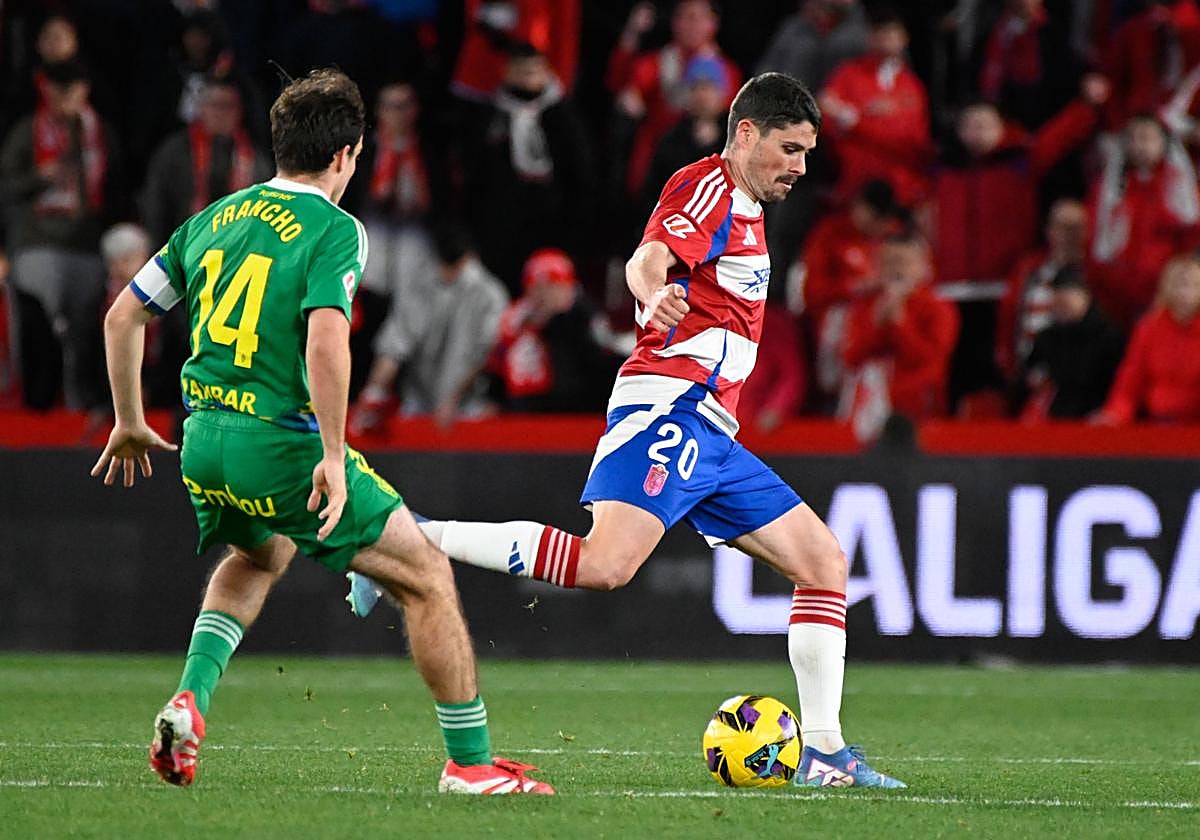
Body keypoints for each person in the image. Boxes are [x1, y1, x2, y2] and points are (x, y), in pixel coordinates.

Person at [351, 72, 906, 789]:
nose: (800, 166)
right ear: (745, 135)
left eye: (807, 152)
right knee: (605, 565)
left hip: (713, 428)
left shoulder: (748, 204)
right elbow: (649, 258)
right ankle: (408, 536)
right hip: (670, 408)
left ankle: (825, 752)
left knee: (824, 565)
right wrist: (654, 293)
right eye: (789, 149)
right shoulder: (708, 187)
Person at [89, 68, 552, 795]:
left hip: (204, 438)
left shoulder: (214, 216)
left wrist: (127, 420)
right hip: (278, 445)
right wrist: (334, 455)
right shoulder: (336, 230)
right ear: (346, 155)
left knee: (261, 556)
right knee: (428, 577)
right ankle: (472, 765)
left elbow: (124, 316)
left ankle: (189, 702)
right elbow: (326, 341)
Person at [350, 224, 508, 432]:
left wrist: (452, 401)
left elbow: (487, 355)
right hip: (419, 404)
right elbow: (394, 347)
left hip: (470, 407)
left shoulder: (490, 295)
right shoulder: (422, 287)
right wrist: (374, 392)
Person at [840, 231, 959, 434]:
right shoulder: (865, 305)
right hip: (869, 412)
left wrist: (899, 322)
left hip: (919, 411)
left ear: (925, 266)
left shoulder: (939, 308)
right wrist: (878, 324)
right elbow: (851, 357)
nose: (896, 270)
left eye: (903, 262)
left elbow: (929, 359)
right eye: (889, 262)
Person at [490, 248, 620, 413]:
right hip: (523, 410)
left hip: (576, 411)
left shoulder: (585, 317)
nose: (543, 295)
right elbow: (496, 365)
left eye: (552, 287)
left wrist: (555, 324)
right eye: (536, 287)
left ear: (568, 287)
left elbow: (602, 363)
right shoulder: (516, 319)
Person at [1096, 253, 1200, 425]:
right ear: (1166, 287)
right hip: (1157, 423)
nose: (1185, 292)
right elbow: (1130, 382)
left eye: (1193, 285)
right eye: (1179, 284)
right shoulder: (1148, 329)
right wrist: (1115, 414)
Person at [1013, 265, 1124, 420]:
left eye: (1066, 292)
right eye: (1056, 293)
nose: (1059, 299)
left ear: (1084, 295)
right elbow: (1026, 381)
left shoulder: (1108, 337)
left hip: (1093, 421)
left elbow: (1119, 386)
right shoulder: (1046, 338)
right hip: (1052, 422)